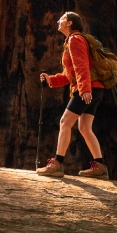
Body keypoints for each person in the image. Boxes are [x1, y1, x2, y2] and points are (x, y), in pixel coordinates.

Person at [36, 11, 109, 180]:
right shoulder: (70, 42)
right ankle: (100, 166)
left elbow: (81, 66)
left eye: (62, 19)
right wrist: (51, 79)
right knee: (84, 127)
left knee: (64, 122)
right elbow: (70, 75)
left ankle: (57, 164)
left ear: (69, 23)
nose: (58, 21)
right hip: (94, 88)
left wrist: (84, 89)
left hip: (87, 89)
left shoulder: (75, 40)